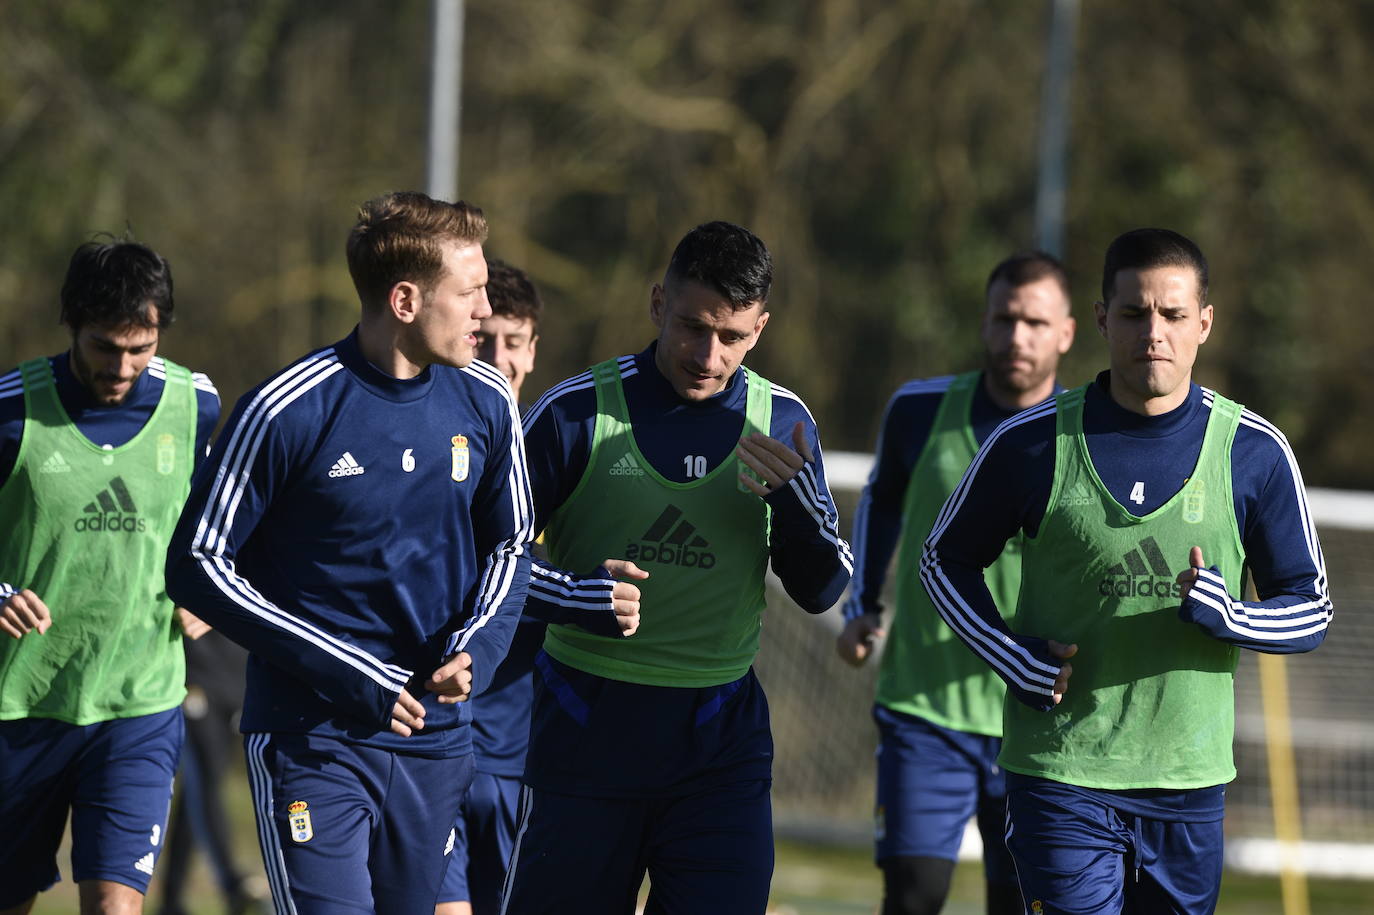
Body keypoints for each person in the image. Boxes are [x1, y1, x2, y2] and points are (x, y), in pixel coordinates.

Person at [921, 228, 1332, 913]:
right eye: (1136, 313)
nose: (1154, 332)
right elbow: (943, 558)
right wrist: (1010, 655)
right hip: (1061, 774)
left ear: (1204, 323)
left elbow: (1312, 608)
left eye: (1173, 315)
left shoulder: (1254, 452)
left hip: (1188, 782)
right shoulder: (1032, 441)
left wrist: (1234, 615)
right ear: (1104, 318)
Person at [164, 191, 534, 914]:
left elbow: (512, 544)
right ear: (404, 299)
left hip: (435, 739)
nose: (484, 311)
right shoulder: (285, 409)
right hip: (314, 741)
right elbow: (198, 563)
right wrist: (348, 671)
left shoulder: (486, 401)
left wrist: (477, 649)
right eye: (470, 292)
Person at [502, 220, 853, 914]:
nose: (708, 353)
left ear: (760, 329)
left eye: (733, 336)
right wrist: (575, 595)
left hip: (718, 742)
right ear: (658, 302)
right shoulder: (575, 415)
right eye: (692, 326)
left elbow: (824, 590)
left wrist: (800, 508)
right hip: (585, 727)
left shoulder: (782, 424)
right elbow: (486, 567)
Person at [837, 252, 1076, 915]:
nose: (1017, 336)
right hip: (922, 709)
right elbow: (882, 501)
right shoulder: (918, 410)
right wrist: (864, 604)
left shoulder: (1085, 433)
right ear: (985, 322)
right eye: (1004, 318)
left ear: (1067, 332)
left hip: (1032, 717)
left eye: (1034, 321)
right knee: (915, 894)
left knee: (1019, 901)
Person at [0, 239, 221, 914]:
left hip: (139, 700)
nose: (123, 367)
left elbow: (224, 521)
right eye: (105, 347)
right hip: (22, 704)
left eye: (141, 346)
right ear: (71, 322)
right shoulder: (11, 409)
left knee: (115, 906)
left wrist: (213, 587)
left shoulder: (196, 405)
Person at [436, 259, 544, 915]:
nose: (501, 357)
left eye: (516, 342)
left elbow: (529, 575)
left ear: (534, 350)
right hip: (435, 732)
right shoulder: (435, 434)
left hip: (520, 751)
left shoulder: (554, 447)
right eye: (489, 339)